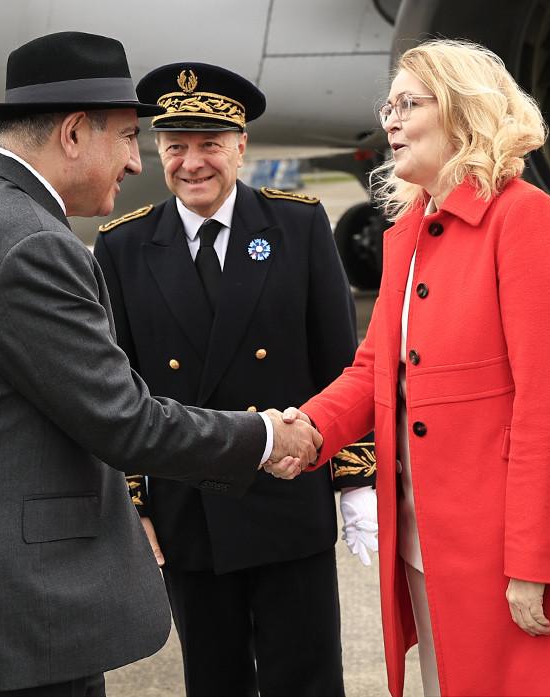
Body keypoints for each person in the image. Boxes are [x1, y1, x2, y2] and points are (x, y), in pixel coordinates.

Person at [0, 31, 321, 697]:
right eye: (125, 137)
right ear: (72, 134)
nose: (135, 161)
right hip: (8, 614)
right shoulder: (31, 242)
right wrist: (265, 434)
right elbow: (126, 423)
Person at [286, 39, 550, 697]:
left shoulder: (525, 219)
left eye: (408, 103)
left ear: (460, 112)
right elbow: (374, 370)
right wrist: (303, 429)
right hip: (427, 547)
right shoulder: (408, 234)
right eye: (387, 105)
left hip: (507, 553)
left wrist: (535, 561)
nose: (389, 120)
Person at [93, 61, 378, 697]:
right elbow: (119, 392)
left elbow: (340, 363)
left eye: (210, 146)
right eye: (176, 148)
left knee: (306, 678)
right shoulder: (124, 246)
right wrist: (134, 504)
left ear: (241, 146)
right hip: (189, 509)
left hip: (288, 494)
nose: (192, 163)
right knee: (215, 680)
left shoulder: (298, 227)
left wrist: (355, 477)